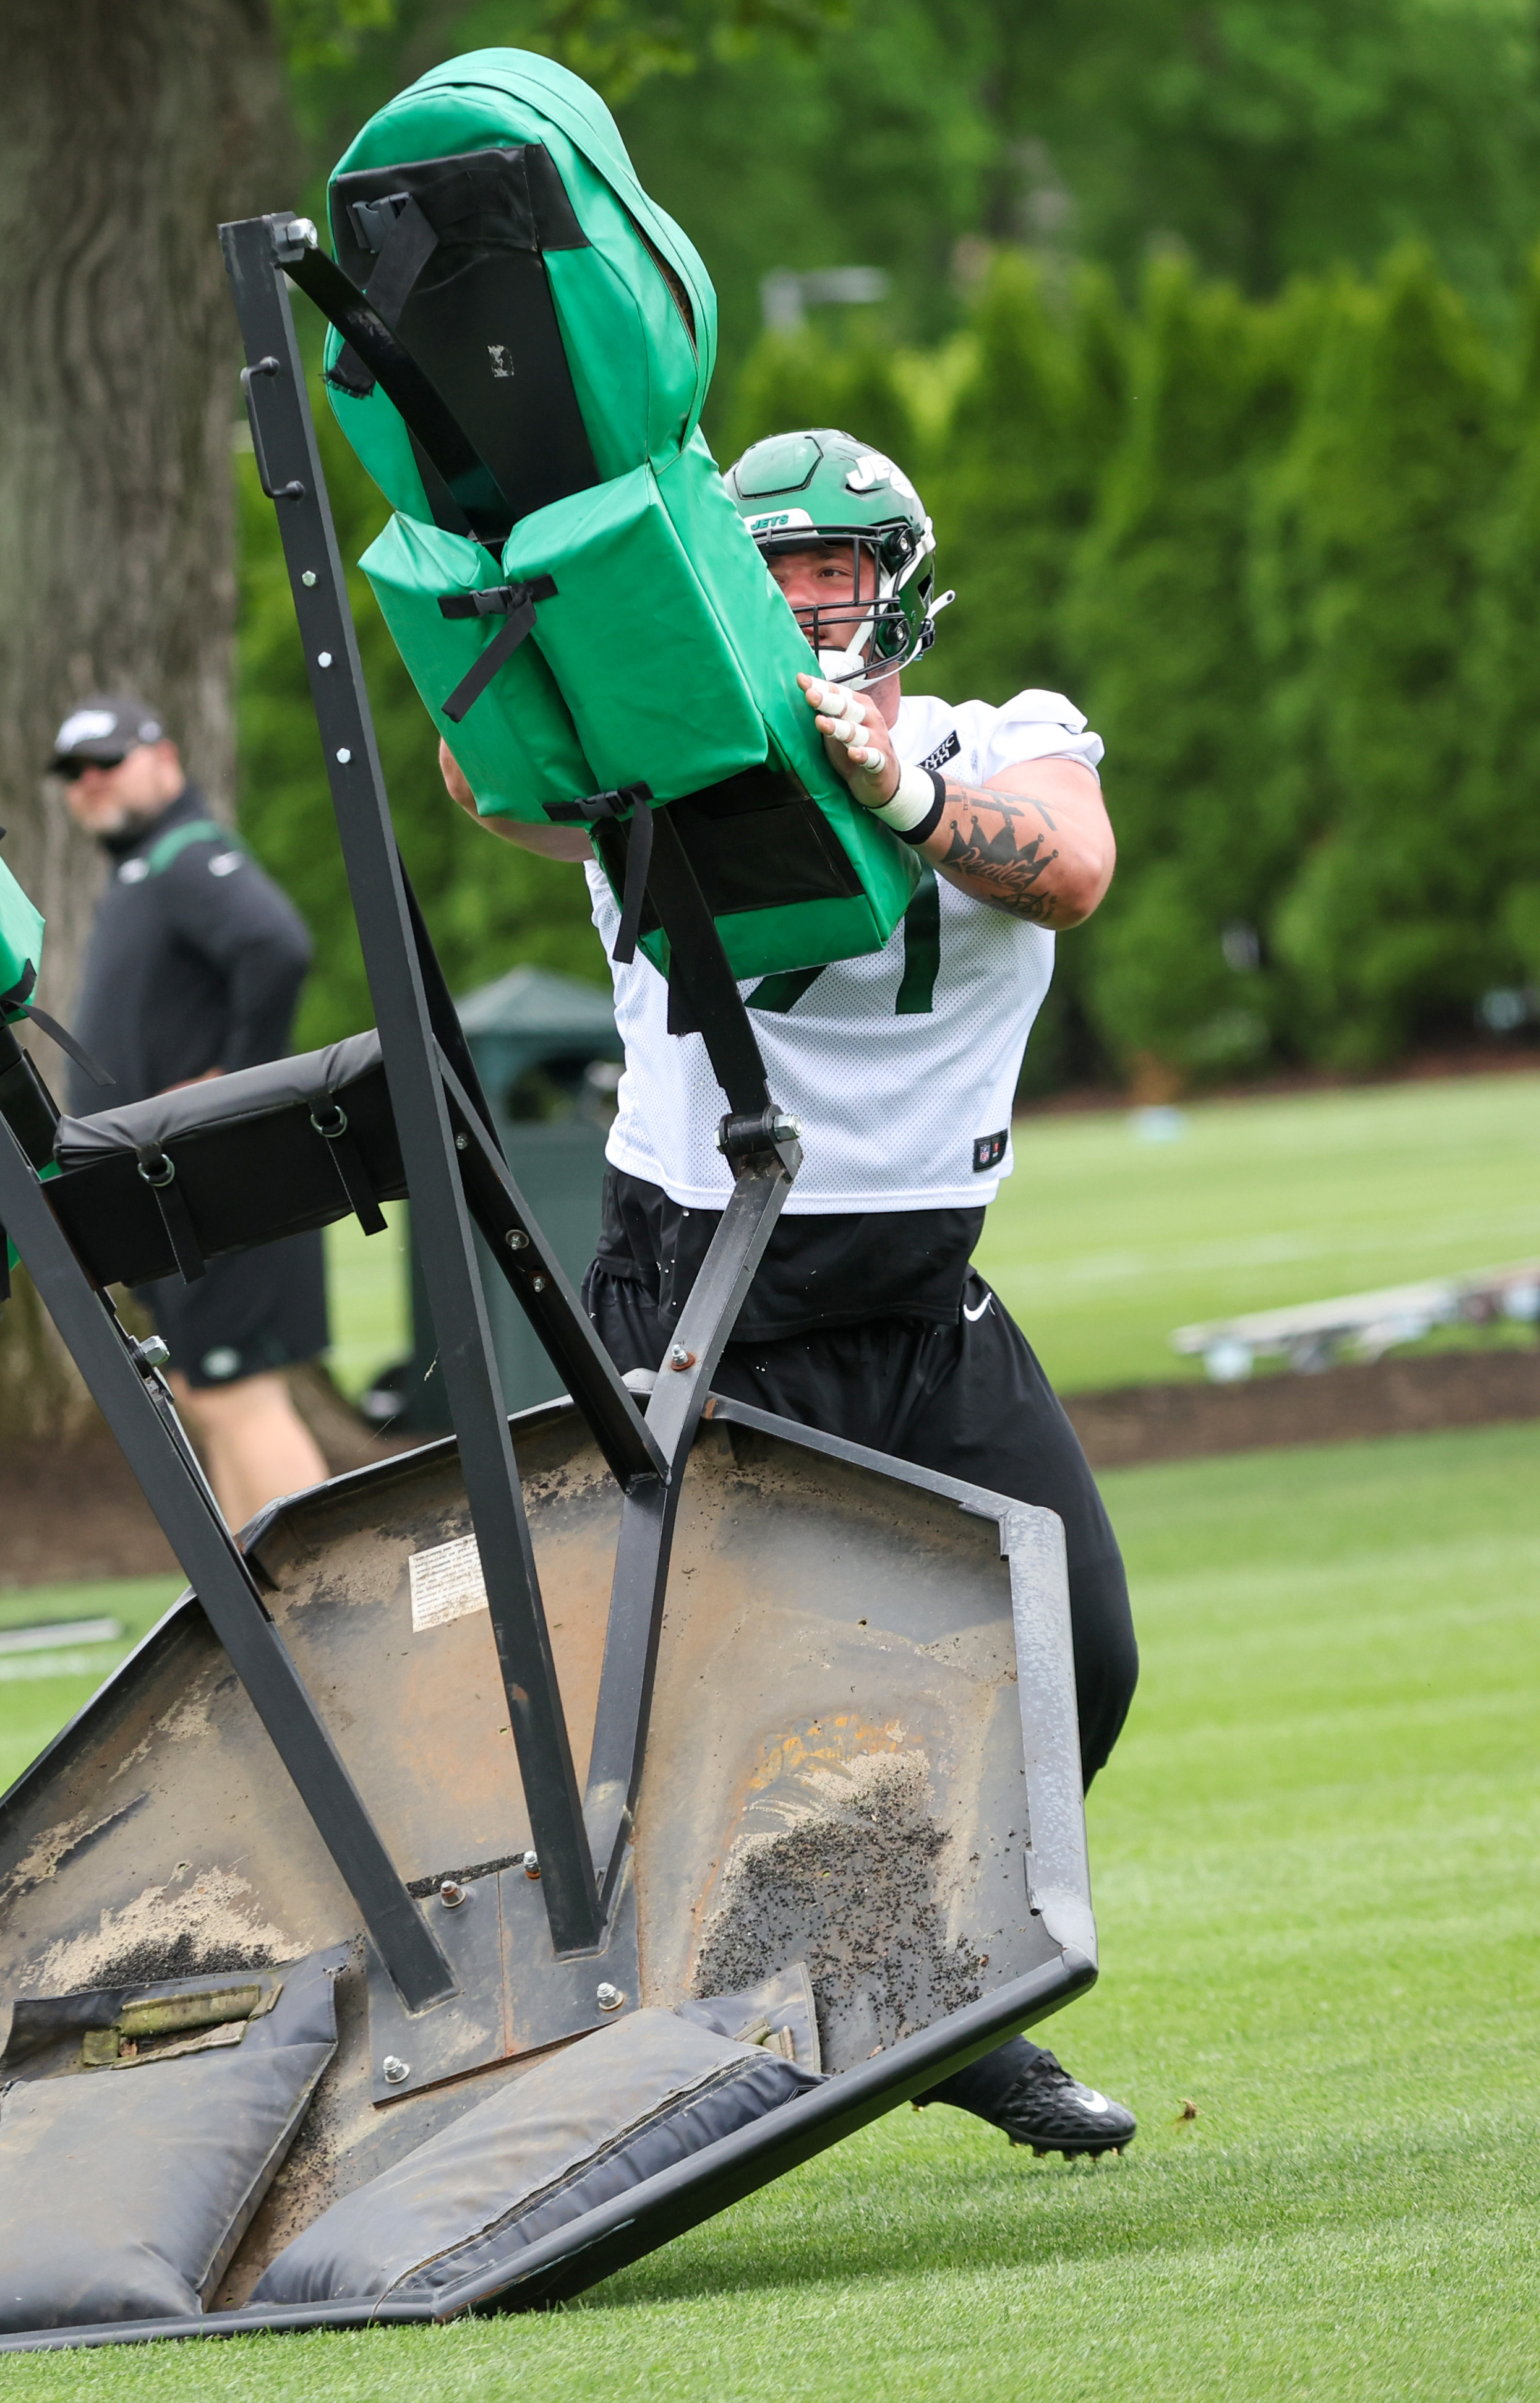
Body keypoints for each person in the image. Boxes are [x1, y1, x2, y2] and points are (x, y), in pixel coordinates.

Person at [440, 427, 1140, 2159]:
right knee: (690, 1730)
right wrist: (561, 622)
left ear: (899, 578)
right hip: (708, 1287)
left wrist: (901, 794)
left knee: (1080, 1661)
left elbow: (1064, 863)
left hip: (919, 1284)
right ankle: (594, 2084)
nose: (815, 596)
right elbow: (489, 774)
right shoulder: (654, 758)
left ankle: (922, 1991)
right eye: (778, 566)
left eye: (840, 565)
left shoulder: (1002, 736)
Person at [51, 694, 329, 1529]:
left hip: (218, 1178)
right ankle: (268, 1607)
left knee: (240, 1392)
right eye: (73, 772)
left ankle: (336, 1606)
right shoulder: (141, 875)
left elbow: (277, 947)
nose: (91, 781)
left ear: (164, 759)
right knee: (209, 1393)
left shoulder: (187, 857)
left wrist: (227, 1085)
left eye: (109, 760)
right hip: (175, 1189)